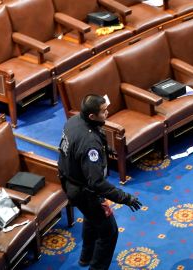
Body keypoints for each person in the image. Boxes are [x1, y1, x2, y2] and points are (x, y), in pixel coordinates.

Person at [58, 94, 143, 270]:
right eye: (104, 111)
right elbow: (96, 182)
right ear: (92, 116)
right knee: (109, 232)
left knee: (91, 219)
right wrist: (125, 198)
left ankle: (86, 257)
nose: (108, 113)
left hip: (69, 180)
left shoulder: (73, 121)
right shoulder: (90, 143)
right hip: (84, 191)